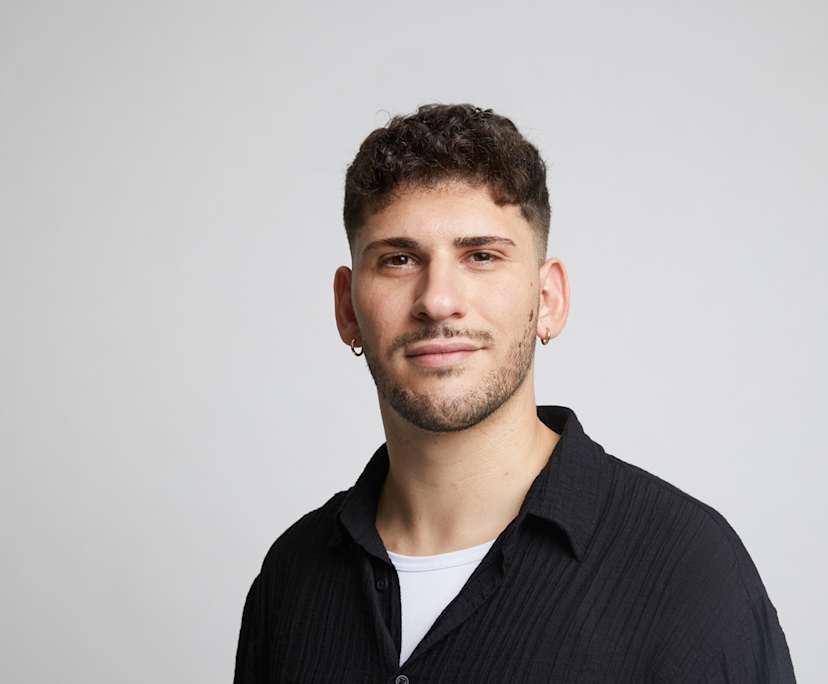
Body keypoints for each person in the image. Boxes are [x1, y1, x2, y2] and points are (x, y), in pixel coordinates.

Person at [233, 104, 796, 682]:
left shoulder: (689, 572)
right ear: (347, 308)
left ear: (548, 300)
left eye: (481, 256)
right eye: (399, 260)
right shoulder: (291, 577)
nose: (438, 300)